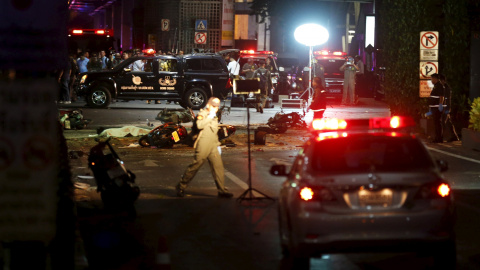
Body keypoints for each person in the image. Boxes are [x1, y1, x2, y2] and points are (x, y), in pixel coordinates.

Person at [175, 97, 233, 198]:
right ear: (208, 105)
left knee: (218, 167)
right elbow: (199, 125)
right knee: (195, 165)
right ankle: (181, 186)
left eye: (217, 107)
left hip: (213, 145)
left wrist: (217, 145)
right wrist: (210, 116)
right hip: (203, 144)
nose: (216, 109)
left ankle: (222, 190)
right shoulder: (203, 114)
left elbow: (214, 132)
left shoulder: (214, 116)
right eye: (214, 106)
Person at [439, 74, 458, 141]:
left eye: (440, 81)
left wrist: (445, 108)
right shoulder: (445, 87)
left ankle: (444, 136)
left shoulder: (446, 88)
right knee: (447, 122)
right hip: (446, 107)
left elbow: (447, 99)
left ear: (443, 80)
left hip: (446, 107)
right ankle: (454, 136)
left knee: (444, 121)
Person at [429, 73, 445, 143]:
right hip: (434, 107)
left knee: (438, 123)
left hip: (437, 108)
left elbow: (441, 96)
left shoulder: (439, 86)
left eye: (432, 78)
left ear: (435, 79)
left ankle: (439, 138)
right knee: (436, 123)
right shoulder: (436, 86)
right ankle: (437, 137)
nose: (431, 80)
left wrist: (440, 105)